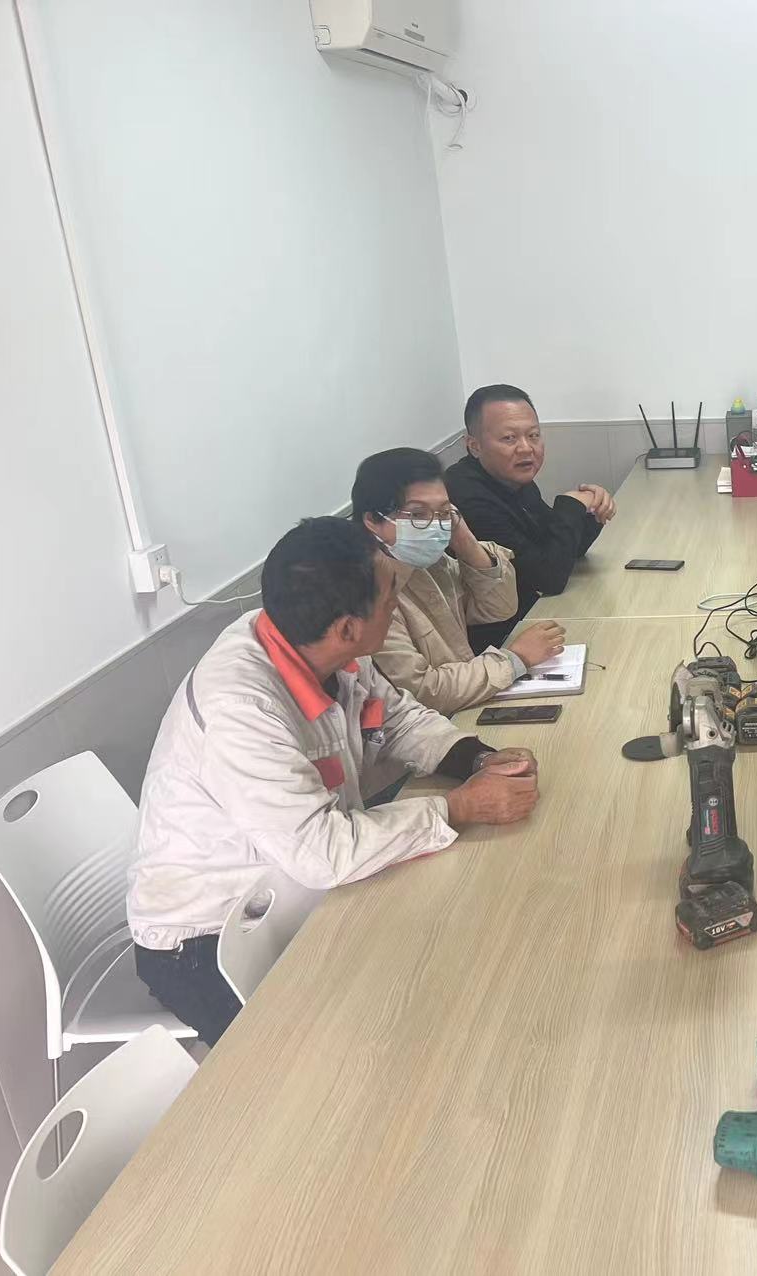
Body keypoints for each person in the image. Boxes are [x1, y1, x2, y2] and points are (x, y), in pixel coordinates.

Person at [127, 518, 541, 1045]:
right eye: (390, 598)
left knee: (431, 979)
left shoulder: (319, 643)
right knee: (330, 1053)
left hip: (298, 888)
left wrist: (478, 759)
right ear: (348, 628)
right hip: (207, 936)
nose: (397, 603)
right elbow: (322, 853)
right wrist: (457, 808)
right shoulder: (241, 707)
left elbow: (395, 718)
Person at [351, 447, 568, 714]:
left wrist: (464, 539)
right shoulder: (367, 594)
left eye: (443, 512)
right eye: (417, 515)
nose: (434, 526)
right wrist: (515, 659)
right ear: (373, 520)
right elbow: (422, 693)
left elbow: (498, 608)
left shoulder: (426, 562)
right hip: (434, 722)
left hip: (463, 706)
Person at [444, 384, 616, 648]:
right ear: (474, 446)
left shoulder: (511, 478)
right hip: (494, 643)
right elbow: (547, 577)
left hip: (529, 618)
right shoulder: (467, 496)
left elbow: (563, 550)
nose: (526, 448)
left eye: (533, 435)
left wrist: (592, 510)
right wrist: (570, 506)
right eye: (509, 438)